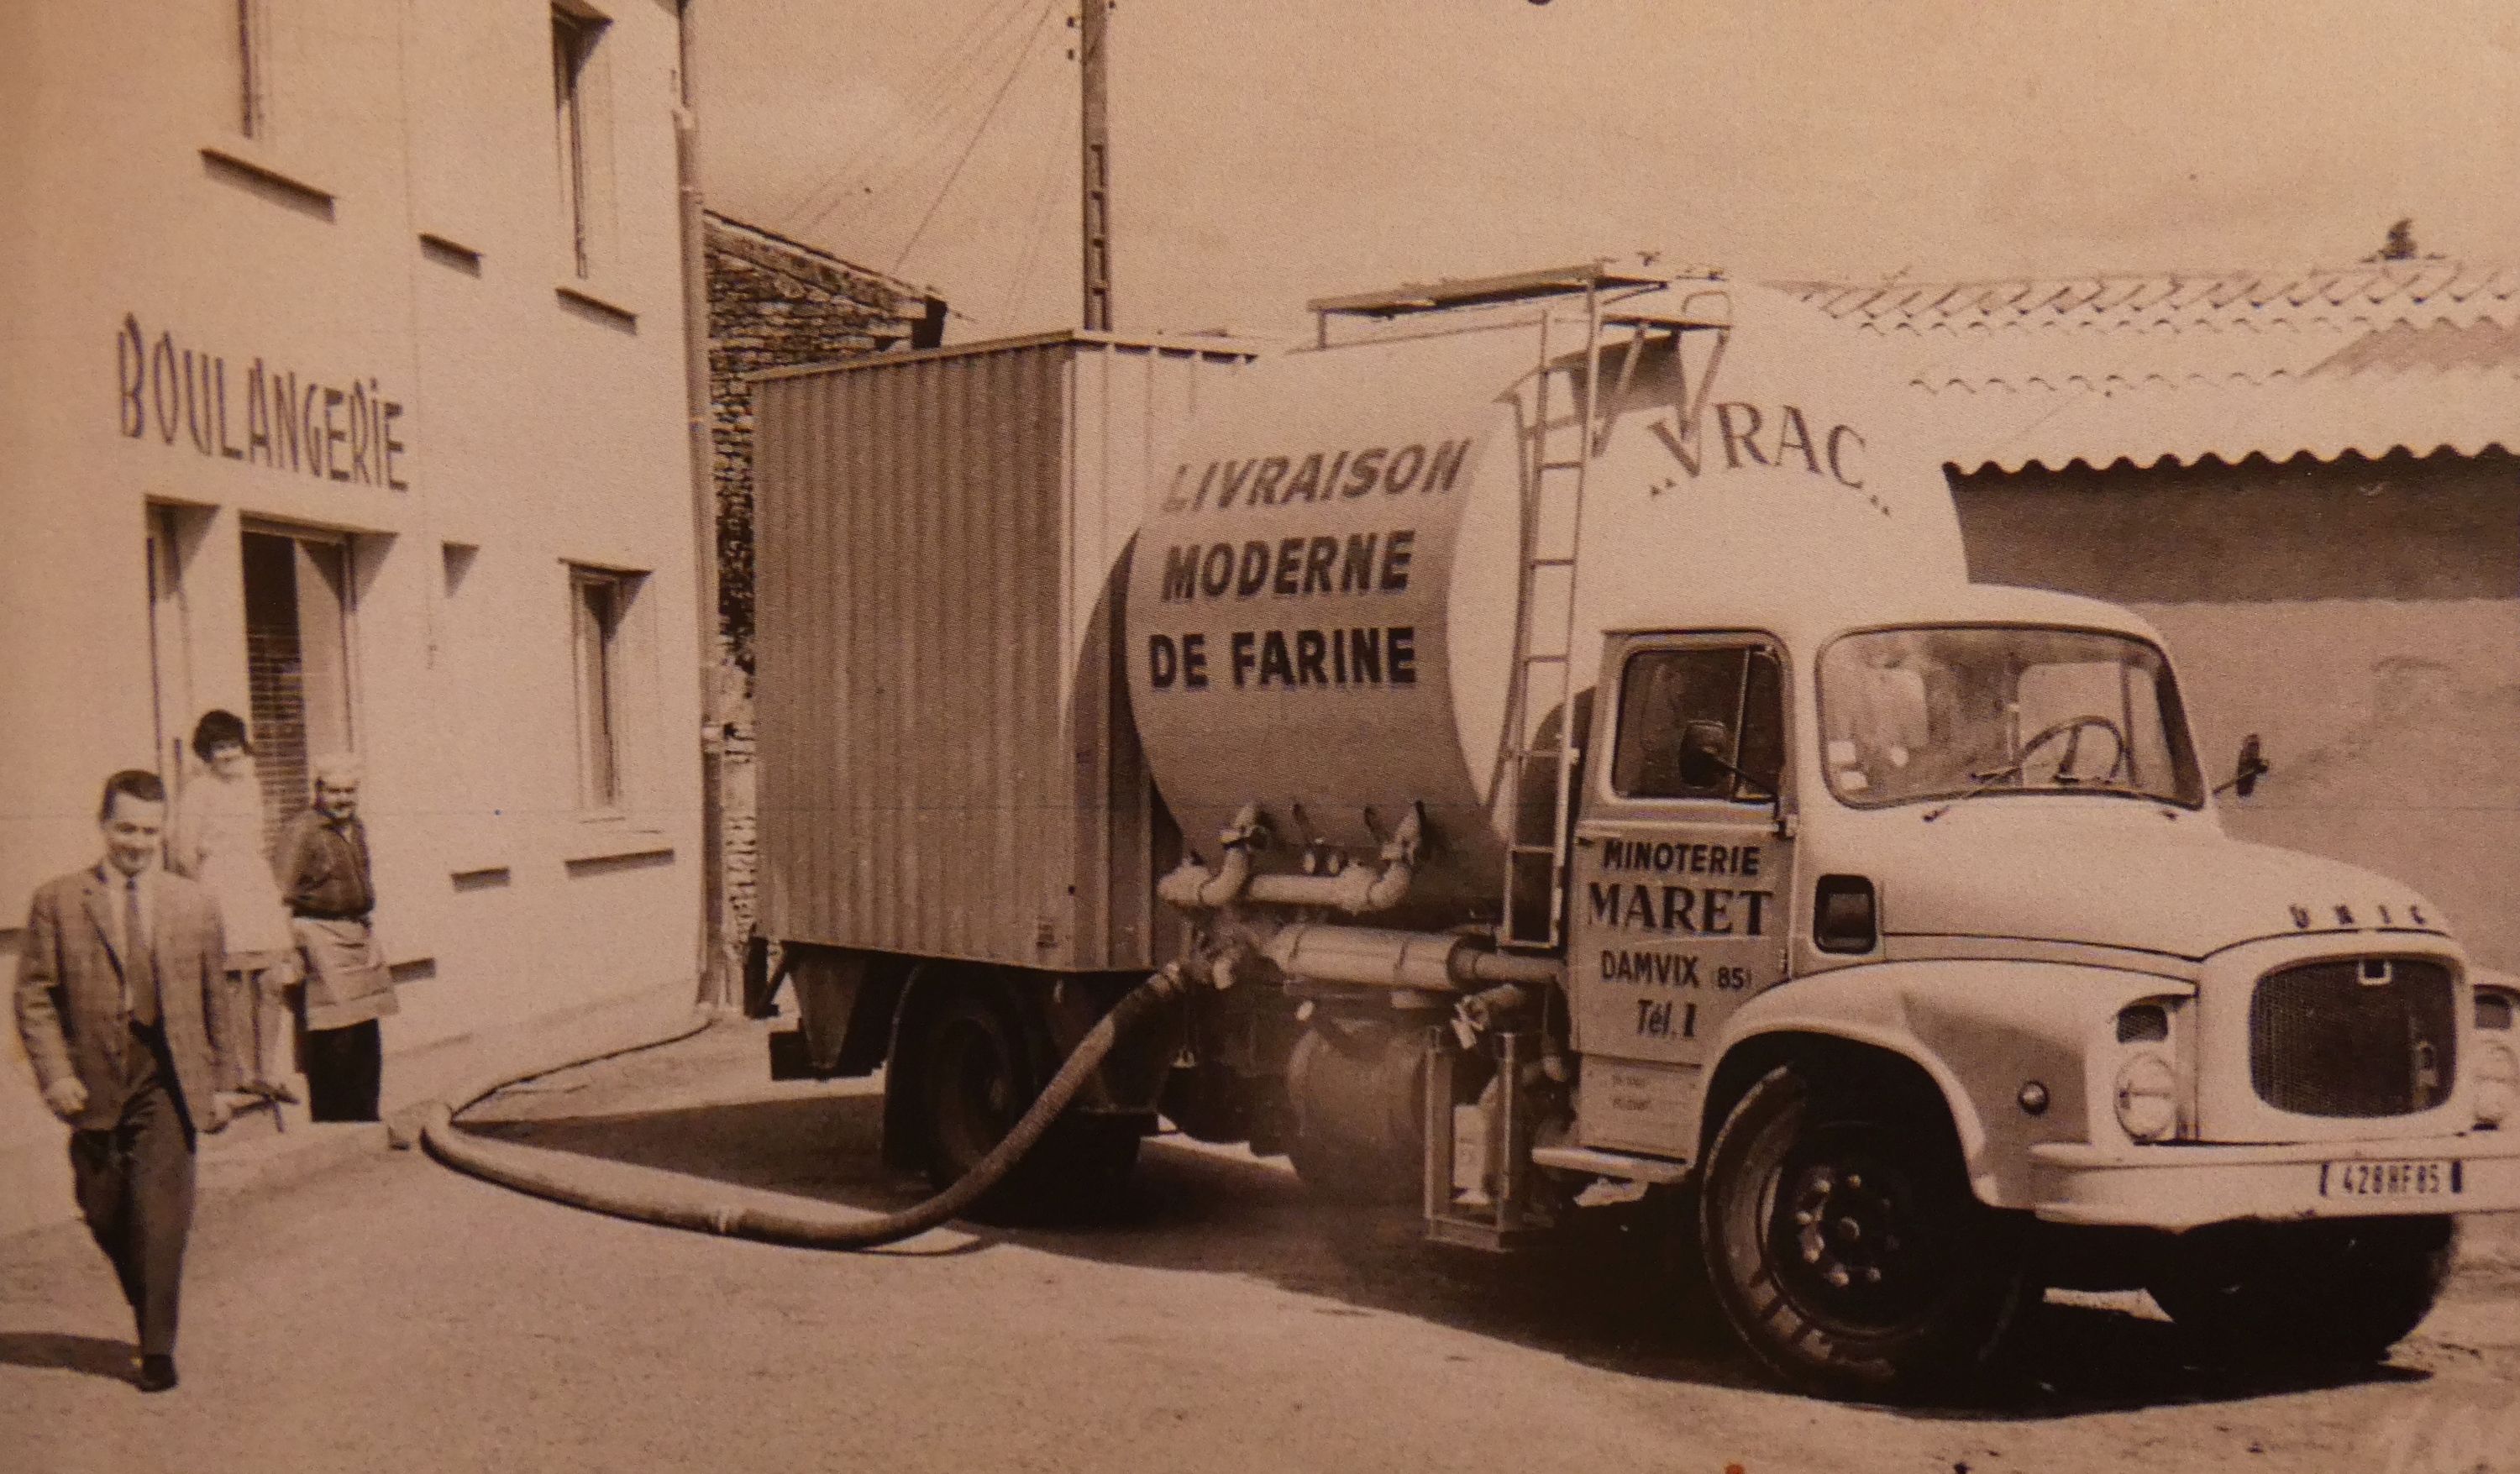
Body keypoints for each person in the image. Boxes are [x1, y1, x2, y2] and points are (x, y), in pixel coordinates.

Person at [15, 769, 236, 1393]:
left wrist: (222, 1081)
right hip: (94, 1079)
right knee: (104, 1208)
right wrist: (55, 1074)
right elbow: (33, 996)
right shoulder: (58, 900)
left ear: (163, 830)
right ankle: (150, 1306)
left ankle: (158, 1346)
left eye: (149, 829)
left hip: (168, 1076)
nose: (137, 842)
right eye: (125, 828)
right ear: (103, 825)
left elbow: (215, 997)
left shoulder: (194, 901)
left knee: (162, 1214)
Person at [167, 710, 302, 1105]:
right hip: (219, 884)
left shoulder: (253, 786)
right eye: (217, 748)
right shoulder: (198, 791)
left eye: (232, 745)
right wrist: (202, 898)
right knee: (232, 982)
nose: (226, 755)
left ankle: (267, 1070)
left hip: (255, 884)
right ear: (206, 753)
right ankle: (239, 1071)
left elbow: (261, 840)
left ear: (243, 746)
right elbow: (183, 854)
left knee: (270, 980)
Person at [275, 754, 396, 1122]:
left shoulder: (356, 827)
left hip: (358, 933)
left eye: (350, 791)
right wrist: (289, 952)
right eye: (334, 791)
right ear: (318, 792)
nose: (343, 799)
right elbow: (281, 892)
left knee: (366, 1035)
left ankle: (367, 1120)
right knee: (334, 1036)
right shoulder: (303, 831)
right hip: (320, 935)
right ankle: (335, 1123)